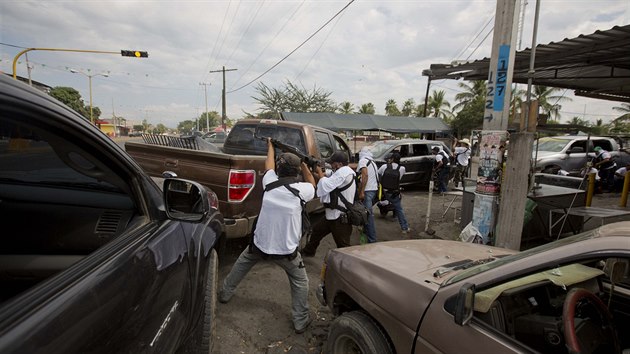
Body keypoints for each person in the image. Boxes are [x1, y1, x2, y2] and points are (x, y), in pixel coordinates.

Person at [218, 138, 316, 334]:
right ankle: (300, 321)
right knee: (300, 281)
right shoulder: (302, 190)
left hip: (259, 245)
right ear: (296, 172)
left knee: (241, 264)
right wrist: (306, 166)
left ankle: (224, 294)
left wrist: (270, 145)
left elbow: (268, 164)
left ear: (278, 170)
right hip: (286, 252)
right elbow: (313, 183)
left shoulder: (269, 182)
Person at [301, 151, 355, 257]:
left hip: (340, 217)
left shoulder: (344, 172)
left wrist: (319, 171)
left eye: (333, 163)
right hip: (332, 215)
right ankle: (309, 251)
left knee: (344, 247)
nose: (331, 165)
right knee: (317, 231)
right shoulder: (339, 171)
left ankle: (348, 268)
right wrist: (311, 171)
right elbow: (324, 177)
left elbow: (325, 184)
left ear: (339, 164)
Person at [377, 152, 411, 234]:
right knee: (399, 210)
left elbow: (378, 174)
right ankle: (404, 228)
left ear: (391, 159)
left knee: (370, 204)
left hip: (382, 193)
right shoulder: (402, 168)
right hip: (394, 193)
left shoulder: (384, 166)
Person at [356, 146, 379, 243]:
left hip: (367, 191)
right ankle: (366, 232)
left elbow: (364, 174)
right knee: (366, 214)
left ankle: (372, 240)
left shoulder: (363, 161)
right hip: (373, 191)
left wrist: (361, 191)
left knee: (368, 216)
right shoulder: (372, 161)